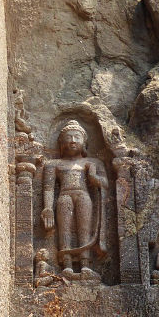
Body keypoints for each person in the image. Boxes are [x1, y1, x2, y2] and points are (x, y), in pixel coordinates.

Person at [41, 120, 108, 280]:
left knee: (84, 230)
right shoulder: (53, 165)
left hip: (83, 196)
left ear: (84, 142)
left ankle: (86, 265)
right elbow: (48, 188)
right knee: (64, 230)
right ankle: (67, 265)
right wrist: (47, 208)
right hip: (64, 196)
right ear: (61, 142)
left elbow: (104, 184)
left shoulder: (93, 163)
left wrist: (93, 177)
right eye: (68, 137)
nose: (72, 141)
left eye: (77, 137)